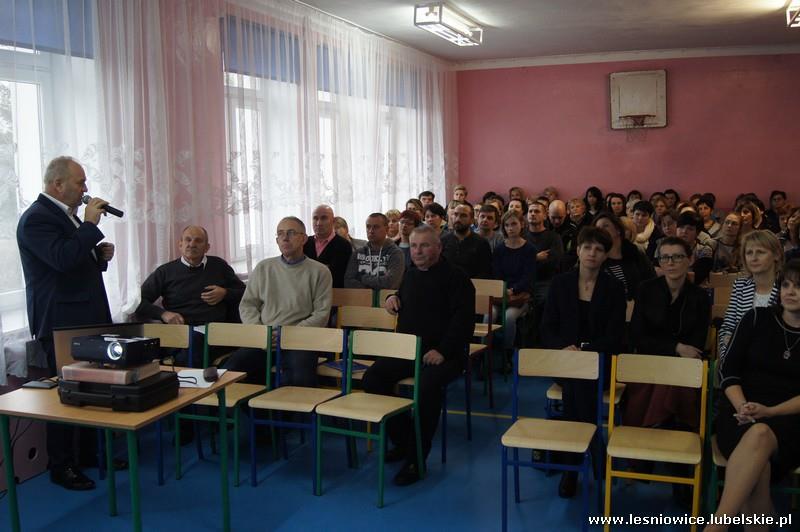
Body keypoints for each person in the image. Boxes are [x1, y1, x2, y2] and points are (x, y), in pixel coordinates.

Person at [17, 156, 116, 490]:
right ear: (57, 184)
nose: (86, 189)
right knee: (67, 392)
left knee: (90, 388)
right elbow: (59, 260)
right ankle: (61, 465)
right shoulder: (36, 219)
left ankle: (89, 454)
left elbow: (74, 262)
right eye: (80, 182)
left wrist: (98, 258)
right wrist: (89, 226)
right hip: (61, 322)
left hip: (85, 317)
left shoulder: (66, 217)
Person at [362, 225, 475, 486]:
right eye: (414, 246)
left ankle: (416, 458)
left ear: (439, 247)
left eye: (425, 245)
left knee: (426, 388)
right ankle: (404, 442)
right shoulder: (411, 275)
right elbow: (402, 299)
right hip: (409, 351)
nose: (418, 251)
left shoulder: (457, 278)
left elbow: (463, 322)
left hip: (446, 355)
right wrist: (392, 298)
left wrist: (443, 351)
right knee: (373, 379)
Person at [707, 260, 800, 532]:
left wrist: (769, 412)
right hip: (739, 411)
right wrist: (744, 407)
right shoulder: (756, 319)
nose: (790, 291)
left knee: (759, 438)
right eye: (786, 284)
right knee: (758, 457)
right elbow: (728, 372)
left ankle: (717, 525)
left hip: (790, 420)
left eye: (799, 286)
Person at [540, 226, 626, 498]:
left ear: (605, 256)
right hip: (565, 358)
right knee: (578, 383)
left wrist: (586, 350)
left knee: (578, 389)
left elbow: (616, 336)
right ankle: (596, 450)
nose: (592, 253)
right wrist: (565, 349)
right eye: (587, 247)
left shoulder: (614, 288)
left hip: (600, 360)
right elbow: (546, 328)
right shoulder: (561, 283)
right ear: (577, 250)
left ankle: (570, 467)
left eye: (599, 249)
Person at [222, 217, 332, 386]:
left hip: (299, 340)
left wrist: (289, 334)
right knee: (232, 371)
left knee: (299, 379)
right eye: (280, 234)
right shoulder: (263, 268)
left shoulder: (320, 271)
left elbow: (322, 314)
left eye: (291, 233)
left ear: (303, 238)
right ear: (277, 240)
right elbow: (247, 305)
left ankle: (295, 413)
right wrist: (261, 332)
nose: (285, 238)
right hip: (264, 339)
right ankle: (256, 412)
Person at [625, 237, 711, 433]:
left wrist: (673, 351)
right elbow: (637, 336)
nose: (670, 263)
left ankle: (653, 430)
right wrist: (676, 347)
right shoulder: (646, 289)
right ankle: (662, 427)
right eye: (665, 258)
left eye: (677, 257)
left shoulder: (700, 297)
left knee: (673, 379)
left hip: (682, 368)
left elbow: (696, 344)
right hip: (649, 362)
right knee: (665, 380)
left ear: (690, 259)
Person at [136, 225, 246, 366]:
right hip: (179, 332)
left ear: (207, 247)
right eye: (188, 240)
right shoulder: (165, 272)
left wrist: (225, 293)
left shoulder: (219, 266)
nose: (192, 244)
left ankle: (183, 374)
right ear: (180, 244)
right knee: (191, 345)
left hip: (215, 332)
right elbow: (138, 302)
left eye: (198, 241)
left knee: (194, 347)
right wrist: (163, 314)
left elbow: (244, 293)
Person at [718, 230, 784, 362]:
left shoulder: (786, 287)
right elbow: (727, 330)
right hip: (740, 362)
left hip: (776, 364)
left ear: (776, 255)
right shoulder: (740, 286)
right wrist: (730, 360)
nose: (753, 258)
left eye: (760, 252)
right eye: (749, 253)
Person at [492, 211, 537, 352]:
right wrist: (502, 290)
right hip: (500, 293)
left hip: (520, 295)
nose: (510, 228)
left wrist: (513, 290)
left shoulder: (529, 249)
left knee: (509, 317)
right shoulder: (499, 249)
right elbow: (496, 274)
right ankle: (485, 352)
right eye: (506, 225)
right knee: (489, 315)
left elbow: (528, 277)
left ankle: (507, 352)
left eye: (513, 224)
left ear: (522, 224)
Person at [594, 212, 655, 301]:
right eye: (597, 228)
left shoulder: (635, 254)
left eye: (605, 226)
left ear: (618, 229)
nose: (601, 231)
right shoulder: (597, 259)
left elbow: (652, 281)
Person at [343, 213, 404, 290]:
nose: (371, 231)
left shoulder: (395, 253)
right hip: (360, 299)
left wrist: (363, 278)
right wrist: (372, 289)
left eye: (376, 227)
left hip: (385, 300)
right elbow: (348, 282)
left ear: (387, 229)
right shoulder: (358, 253)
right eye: (368, 227)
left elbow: (391, 283)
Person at [302, 205, 353, 288]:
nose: (318, 223)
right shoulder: (304, 243)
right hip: (306, 293)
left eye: (324, 218)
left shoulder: (343, 245)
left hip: (333, 294)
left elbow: (336, 276)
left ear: (333, 222)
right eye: (315, 218)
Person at [526, 201, 564, 305]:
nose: (533, 214)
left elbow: (553, 262)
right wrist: (535, 258)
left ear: (544, 216)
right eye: (530, 211)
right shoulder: (521, 236)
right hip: (524, 280)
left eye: (537, 211)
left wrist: (526, 260)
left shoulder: (554, 237)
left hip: (545, 280)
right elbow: (514, 261)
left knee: (545, 300)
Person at [440, 203, 492, 279]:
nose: (457, 219)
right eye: (455, 214)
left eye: (463, 216)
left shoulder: (481, 243)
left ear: (471, 220)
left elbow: (485, 272)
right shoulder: (443, 240)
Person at [675, 211, 714, 285]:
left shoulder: (704, 250)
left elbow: (696, 277)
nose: (684, 231)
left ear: (698, 233)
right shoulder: (668, 248)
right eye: (681, 227)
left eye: (690, 229)